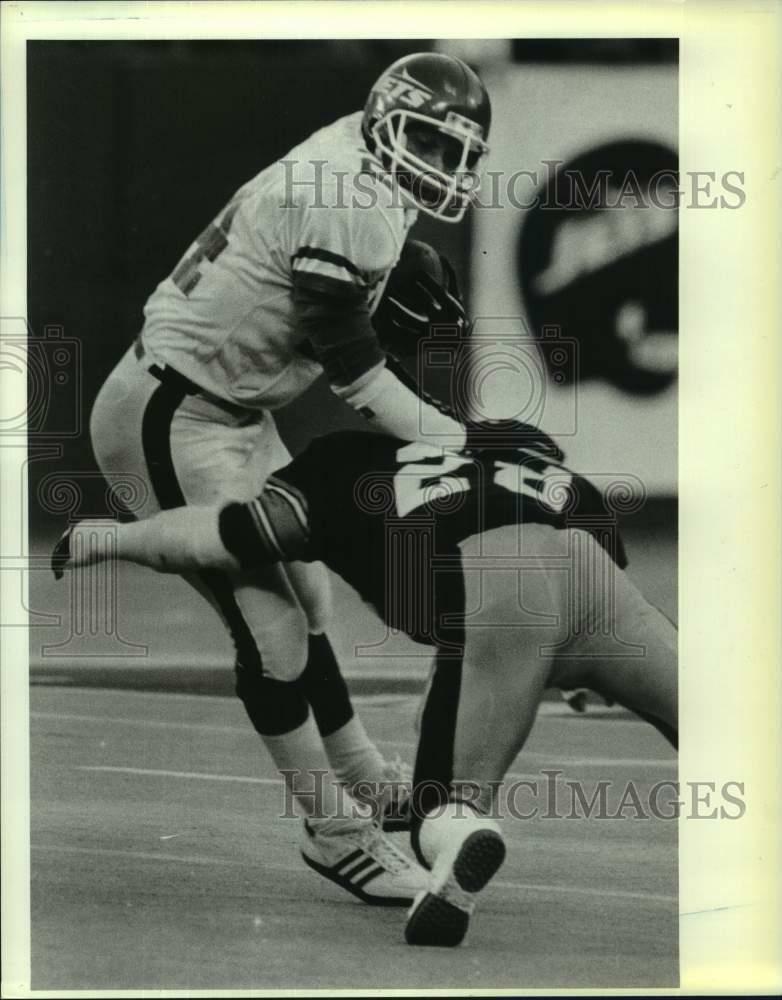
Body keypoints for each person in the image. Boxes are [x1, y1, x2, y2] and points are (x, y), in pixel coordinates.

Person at [86, 50, 495, 905]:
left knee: (311, 599)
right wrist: (467, 441)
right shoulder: (343, 192)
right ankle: (330, 829)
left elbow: (324, 322)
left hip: (231, 410)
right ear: (383, 119)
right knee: (269, 633)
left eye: (456, 152)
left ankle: (363, 777)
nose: (439, 165)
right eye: (425, 139)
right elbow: (356, 376)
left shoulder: (356, 169)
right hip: (172, 413)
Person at [54, 427, 678, 947]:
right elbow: (580, 604)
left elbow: (223, 538)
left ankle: (455, 845)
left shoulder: (345, 463)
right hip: (596, 584)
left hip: (500, 583)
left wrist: (114, 538)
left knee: (443, 808)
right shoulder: (549, 478)